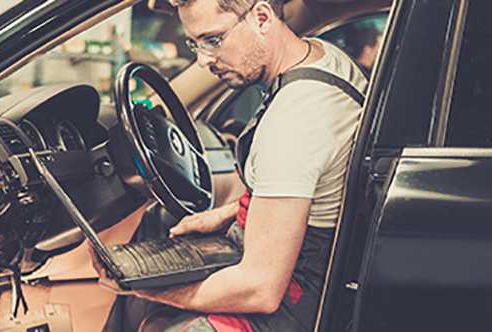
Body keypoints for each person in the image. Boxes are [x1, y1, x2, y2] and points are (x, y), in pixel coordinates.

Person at [96, 0, 368, 331]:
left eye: (213, 39)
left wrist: (145, 287)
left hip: (289, 306)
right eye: (194, 43)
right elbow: (308, 189)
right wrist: (223, 214)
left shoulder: (295, 121)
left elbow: (260, 290)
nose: (203, 59)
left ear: (263, 17)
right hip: (299, 266)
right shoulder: (322, 56)